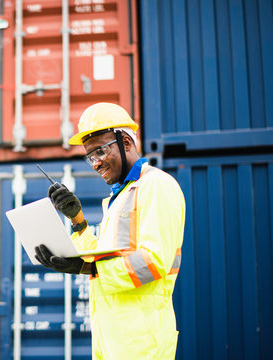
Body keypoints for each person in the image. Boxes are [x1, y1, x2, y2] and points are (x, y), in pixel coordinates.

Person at [34, 102, 185, 359]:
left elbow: (153, 262)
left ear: (125, 141)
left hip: (143, 346)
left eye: (100, 152)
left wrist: (87, 268)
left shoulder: (157, 186)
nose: (95, 163)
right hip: (114, 344)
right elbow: (106, 258)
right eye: (90, 156)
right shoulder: (120, 198)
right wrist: (77, 220)